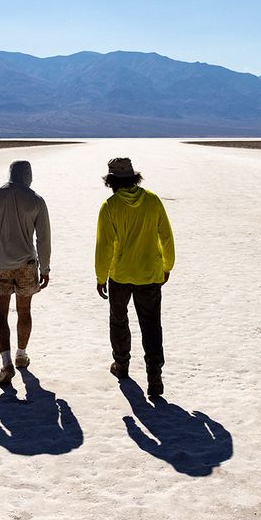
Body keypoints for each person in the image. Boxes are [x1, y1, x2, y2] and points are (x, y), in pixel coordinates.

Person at [94, 157, 175, 397]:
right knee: (151, 325)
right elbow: (166, 237)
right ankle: (154, 376)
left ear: (111, 181)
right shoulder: (152, 201)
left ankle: (121, 365)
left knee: (119, 321)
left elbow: (104, 247)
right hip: (150, 274)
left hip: (119, 275)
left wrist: (101, 277)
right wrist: (167, 265)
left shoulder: (109, 207)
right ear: (133, 177)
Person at [0, 160, 51, 387]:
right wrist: (45, 268)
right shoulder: (36, 200)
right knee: (24, 311)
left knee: (0, 316)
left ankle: (6, 362)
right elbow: (43, 238)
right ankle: (21, 354)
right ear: (29, 176)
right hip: (26, 265)